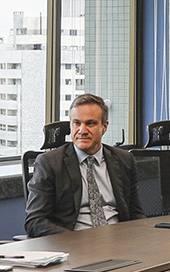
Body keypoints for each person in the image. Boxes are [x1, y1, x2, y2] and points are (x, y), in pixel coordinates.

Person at [24, 93, 144, 237]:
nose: (82, 130)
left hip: (119, 241)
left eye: (90, 123)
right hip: (74, 244)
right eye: (77, 123)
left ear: (104, 127)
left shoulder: (124, 159)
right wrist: (77, 240)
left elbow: (136, 213)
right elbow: (35, 221)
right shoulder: (49, 163)